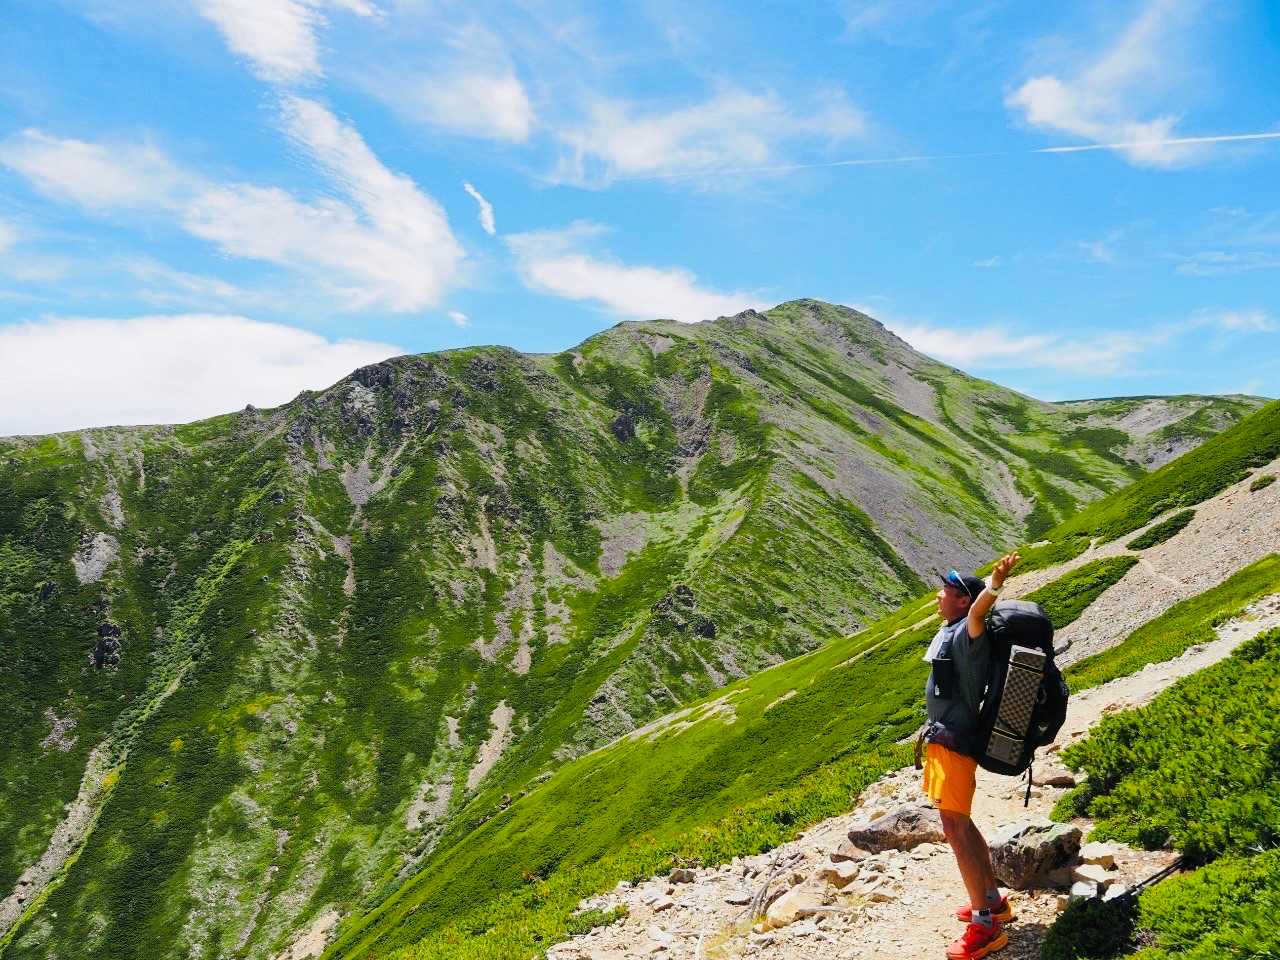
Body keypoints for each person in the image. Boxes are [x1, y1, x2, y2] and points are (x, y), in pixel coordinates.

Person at [920, 552, 1020, 959]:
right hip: (945, 740)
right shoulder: (951, 629)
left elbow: (980, 613)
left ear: (963, 600)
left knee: (954, 828)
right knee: (960, 821)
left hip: (956, 742)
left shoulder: (968, 629)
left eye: (946, 590)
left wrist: (994, 584)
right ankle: (992, 901)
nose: (938, 595)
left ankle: (985, 926)